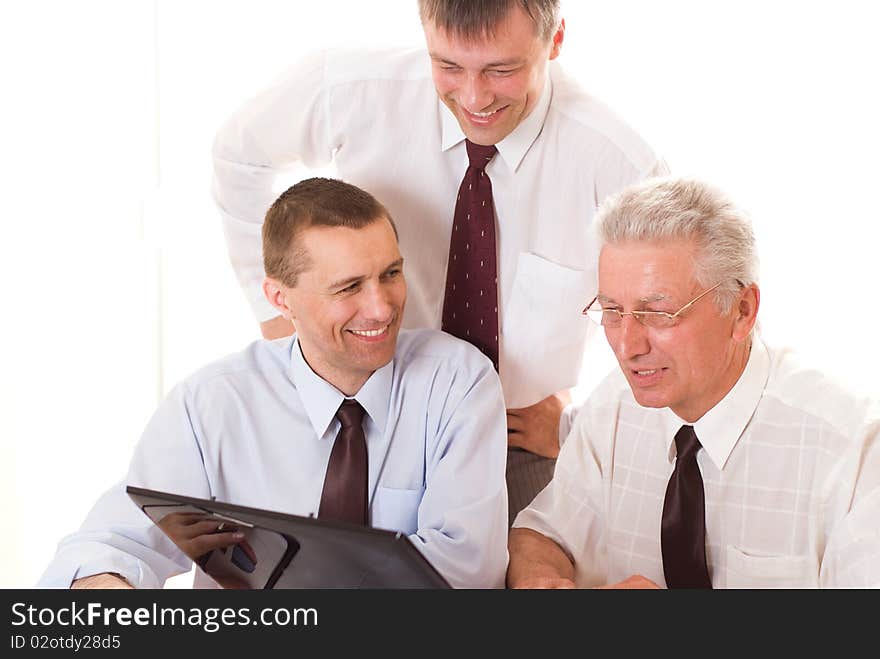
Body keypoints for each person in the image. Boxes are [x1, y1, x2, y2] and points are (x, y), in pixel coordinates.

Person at [211, 0, 667, 519]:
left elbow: (682, 324)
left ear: (555, 40)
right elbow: (238, 157)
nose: (474, 97)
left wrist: (575, 428)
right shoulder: (355, 89)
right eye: (449, 66)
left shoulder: (616, 162)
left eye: (502, 69)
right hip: (365, 420)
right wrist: (280, 319)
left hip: (515, 445)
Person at [39, 178, 509, 589]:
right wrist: (108, 585)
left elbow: (468, 568)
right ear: (280, 298)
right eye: (349, 288)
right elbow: (115, 539)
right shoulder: (214, 403)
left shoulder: (457, 383)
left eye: (390, 274)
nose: (382, 308)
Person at [507, 176, 880, 588]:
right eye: (612, 310)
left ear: (742, 311)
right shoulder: (613, 404)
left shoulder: (854, 448)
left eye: (659, 314)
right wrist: (546, 583)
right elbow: (542, 534)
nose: (627, 346)